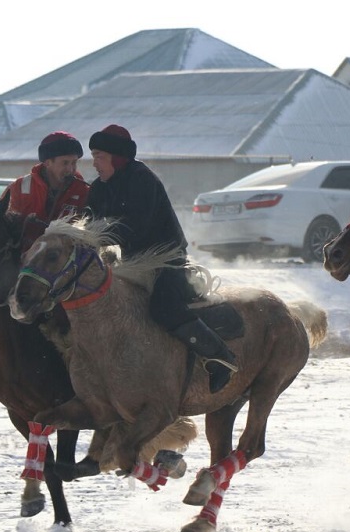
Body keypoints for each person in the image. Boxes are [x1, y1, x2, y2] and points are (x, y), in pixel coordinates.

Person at [85, 124, 237, 393]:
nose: (94, 163)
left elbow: (135, 227)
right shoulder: (98, 188)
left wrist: (94, 236)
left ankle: (220, 358)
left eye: (99, 156)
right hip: (130, 263)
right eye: (93, 156)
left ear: (117, 158)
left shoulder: (142, 180)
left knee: (163, 307)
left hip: (166, 260)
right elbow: (89, 223)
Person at [0, 131, 90, 396]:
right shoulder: (19, 188)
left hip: (60, 276)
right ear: (47, 162)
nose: (71, 169)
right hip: (19, 272)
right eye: (65, 163)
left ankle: (82, 378)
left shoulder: (83, 193)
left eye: (74, 163)